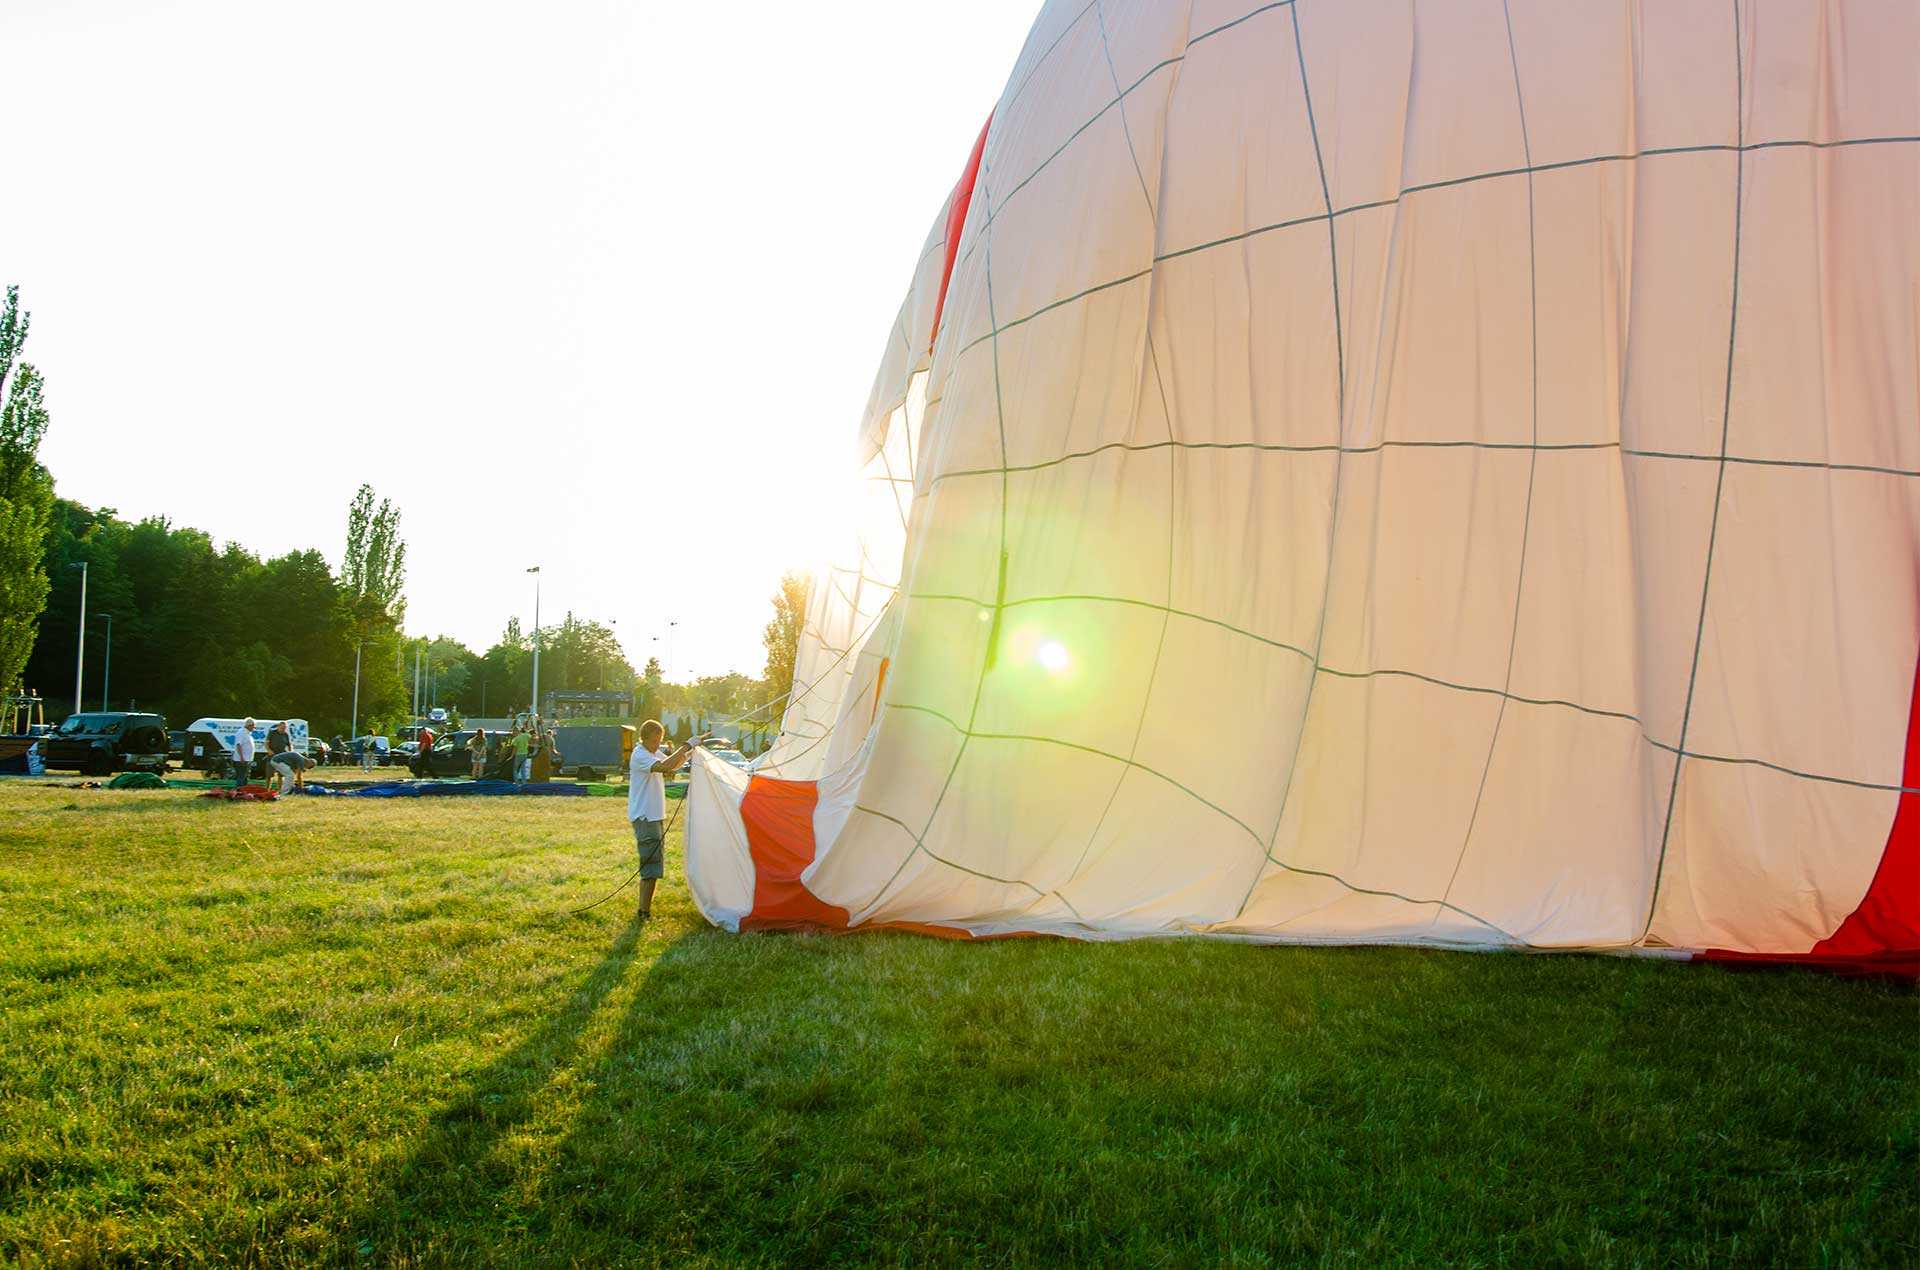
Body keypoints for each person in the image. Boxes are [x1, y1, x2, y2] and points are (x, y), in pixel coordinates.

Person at [627, 720, 699, 922]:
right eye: (655, 741)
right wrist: (686, 745)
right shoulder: (640, 754)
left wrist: (690, 752)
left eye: (660, 740)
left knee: (655, 863)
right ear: (645, 738)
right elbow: (665, 766)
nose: (658, 745)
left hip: (654, 816)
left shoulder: (651, 752)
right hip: (645, 817)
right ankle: (643, 912)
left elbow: (673, 766)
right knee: (650, 866)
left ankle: (645, 910)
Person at [266, 720, 305, 794]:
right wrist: (269, 750)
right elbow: (266, 743)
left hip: (282, 756)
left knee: (281, 775)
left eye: (284, 728)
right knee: (269, 775)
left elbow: (289, 744)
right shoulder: (272, 733)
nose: (283, 729)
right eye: (282, 728)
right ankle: (267, 789)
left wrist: (290, 752)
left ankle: (280, 790)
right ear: (278, 727)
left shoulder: (285, 734)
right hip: (272, 755)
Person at [232, 718, 257, 788]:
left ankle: (243, 791)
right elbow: (238, 745)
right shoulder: (241, 733)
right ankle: (239, 791)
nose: (254, 728)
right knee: (241, 776)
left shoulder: (248, 733)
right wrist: (241, 757)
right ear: (249, 725)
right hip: (242, 759)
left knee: (245, 776)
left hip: (247, 759)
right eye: (253, 726)